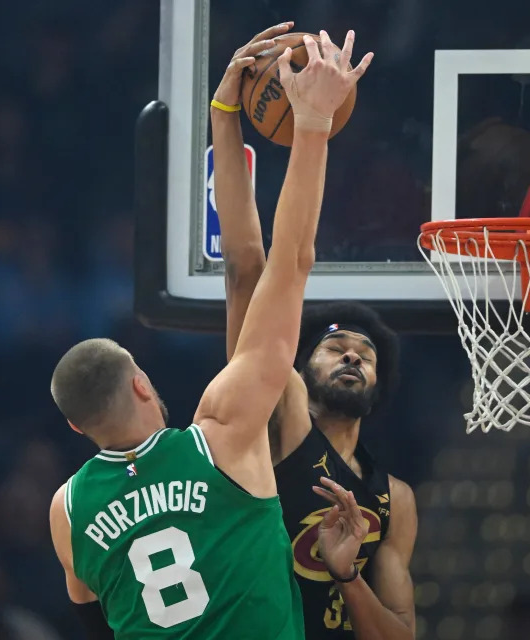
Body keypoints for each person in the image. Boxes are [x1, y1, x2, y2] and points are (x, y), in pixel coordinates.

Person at [47, 29, 374, 640]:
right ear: (143, 384)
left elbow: (249, 266)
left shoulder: (65, 510)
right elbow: (281, 263)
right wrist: (310, 122)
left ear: (75, 425)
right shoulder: (226, 430)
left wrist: (228, 115)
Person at [211, 22, 416, 640]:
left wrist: (346, 573)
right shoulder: (276, 421)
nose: (353, 355)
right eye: (334, 346)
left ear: (379, 388)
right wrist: (226, 115)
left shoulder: (394, 499)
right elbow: (250, 267)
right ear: (296, 370)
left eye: (365, 355)